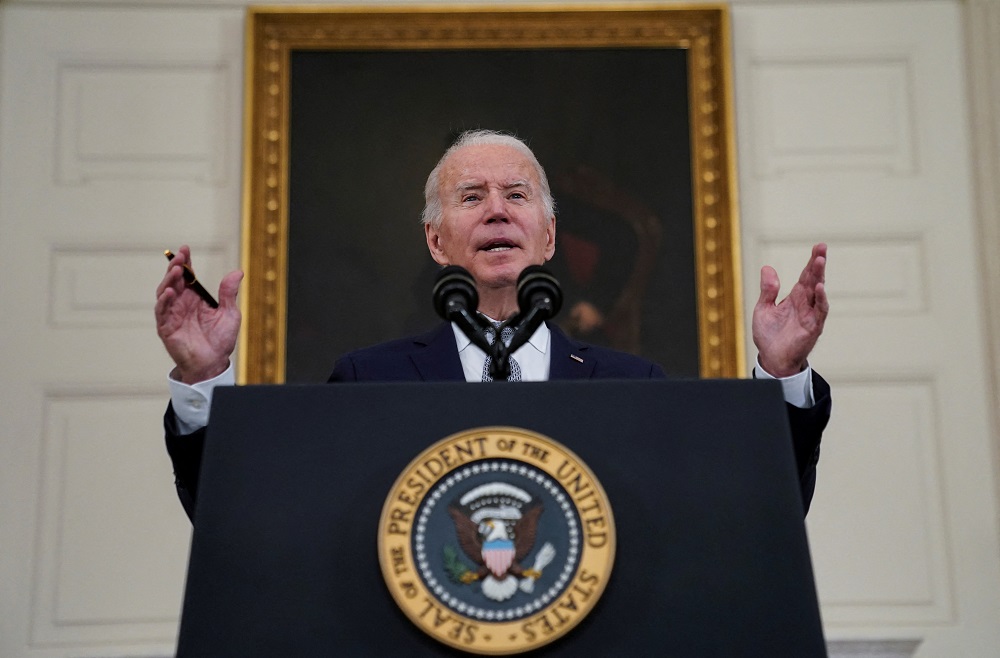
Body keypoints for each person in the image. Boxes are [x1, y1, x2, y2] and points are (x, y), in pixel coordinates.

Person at [155, 129, 831, 520]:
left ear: (549, 234)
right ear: (436, 241)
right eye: (471, 197)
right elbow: (258, 518)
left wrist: (781, 376)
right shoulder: (371, 377)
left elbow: (744, 514)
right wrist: (203, 380)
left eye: (517, 196)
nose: (498, 211)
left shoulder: (628, 383)